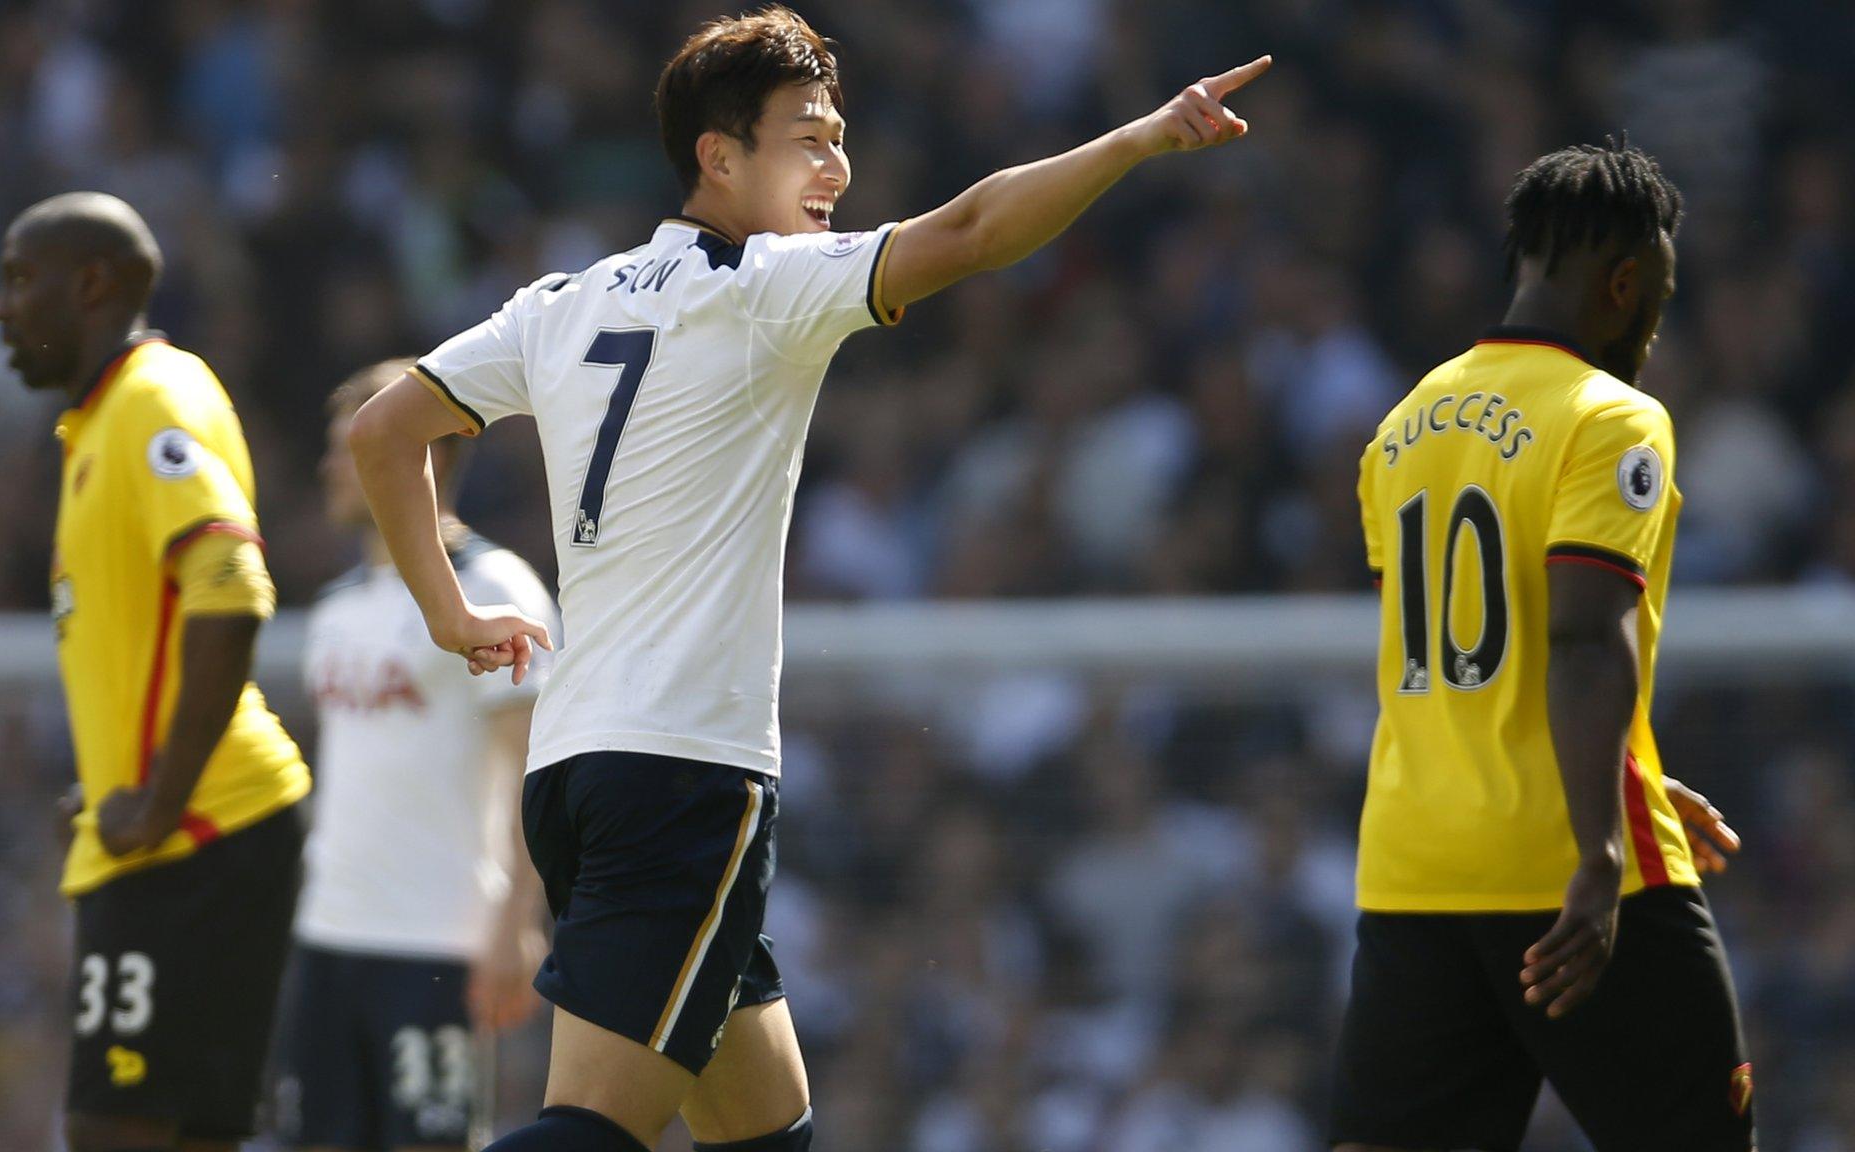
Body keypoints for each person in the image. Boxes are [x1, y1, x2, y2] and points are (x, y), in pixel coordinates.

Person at [346, 7, 1269, 1151]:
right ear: (717, 158)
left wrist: (447, 611)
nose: (837, 166)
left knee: (763, 1131)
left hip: (579, 775)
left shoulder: (561, 304)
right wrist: (1139, 139)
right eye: (807, 138)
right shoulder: (764, 288)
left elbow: (385, 430)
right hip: (684, 775)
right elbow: (976, 229)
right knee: (589, 1131)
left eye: (839, 136)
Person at [1332, 142, 1755, 1152]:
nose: (1651, 325)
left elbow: (1478, 668)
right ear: (1623, 285)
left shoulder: (1399, 428)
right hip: (1567, 874)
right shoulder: (1610, 420)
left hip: (1413, 871)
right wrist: (1601, 841)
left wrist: (1624, 765)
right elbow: (1573, 640)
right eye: (1653, 296)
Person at [0, 191, 311, 1152]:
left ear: (91, 283)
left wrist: (162, 798)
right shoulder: (98, 426)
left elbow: (230, 586)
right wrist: (107, 789)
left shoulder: (151, 401)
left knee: (112, 1130)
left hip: (197, 838)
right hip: (197, 834)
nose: (0, 308)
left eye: (18, 279)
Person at [277, 359, 557, 1151]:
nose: (333, 465)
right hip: (328, 936)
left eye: (348, 446)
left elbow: (535, 766)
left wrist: (517, 919)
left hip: (437, 943)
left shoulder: (496, 589)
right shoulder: (336, 609)